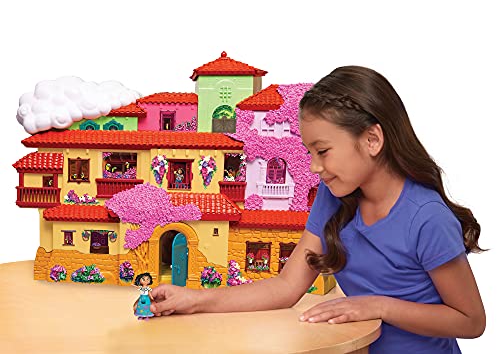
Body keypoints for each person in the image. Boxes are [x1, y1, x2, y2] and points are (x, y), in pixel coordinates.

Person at [150, 66, 485, 352]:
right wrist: (195, 299)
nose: (314, 167)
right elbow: (286, 287)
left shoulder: (426, 217)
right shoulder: (334, 196)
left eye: (322, 151)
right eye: (309, 152)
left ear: (372, 140)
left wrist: (379, 306)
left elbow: (471, 321)